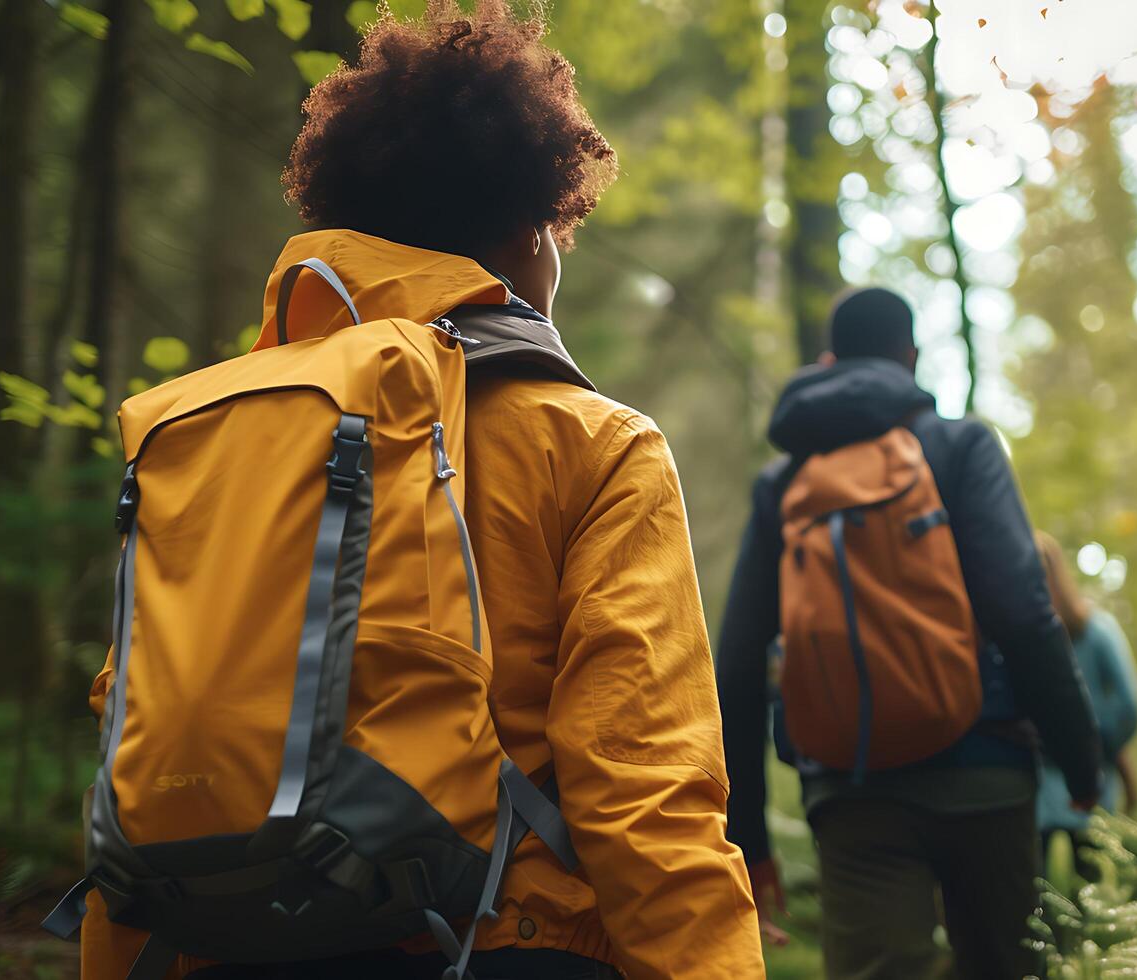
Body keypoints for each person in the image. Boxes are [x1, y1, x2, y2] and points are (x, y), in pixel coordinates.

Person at [78, 4, 764, 978]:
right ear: (533, 234)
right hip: (501, 940)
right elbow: (646, 786)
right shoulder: (597, 444)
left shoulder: (209, 442)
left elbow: (138, 747)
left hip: (225, 944)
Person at [716, 286, 1104, 980]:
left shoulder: (785, 482)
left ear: (829, 361)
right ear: (911, 357)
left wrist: (746, 834)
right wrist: (1079, 757)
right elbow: (1023, 611)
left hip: (851, 785)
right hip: (984, 767)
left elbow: (740, 660)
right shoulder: (959, 446)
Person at [1032, 531, 1137, 875]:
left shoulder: (1095, 630)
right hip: (1057, 790)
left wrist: (1093, 744)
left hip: (1072, 788)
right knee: (1075, 902)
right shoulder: (1094, 629)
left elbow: (1130, 706)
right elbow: (1128, 706)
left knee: (1058, 902)